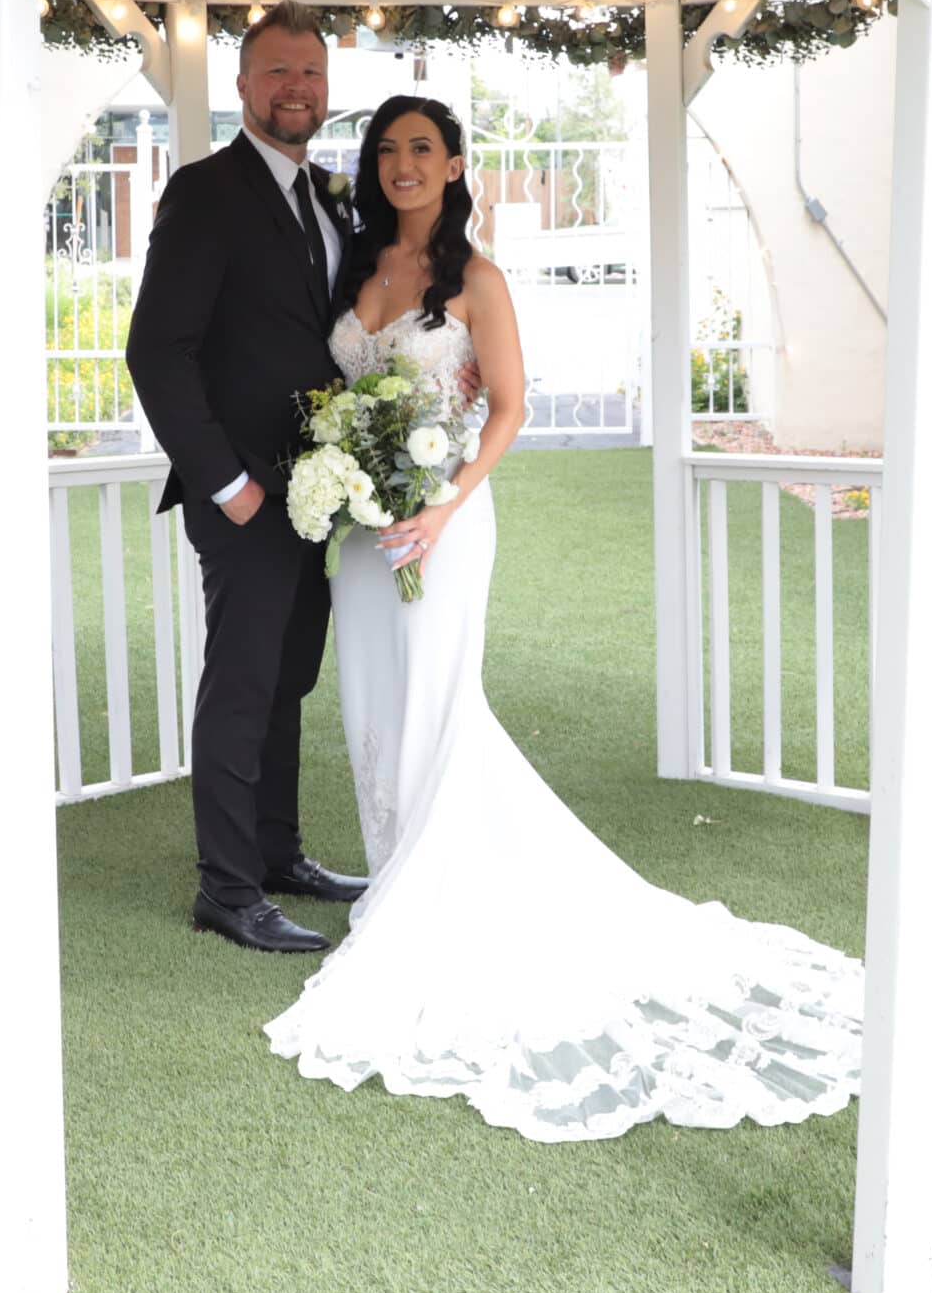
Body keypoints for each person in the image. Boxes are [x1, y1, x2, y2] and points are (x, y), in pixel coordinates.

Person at [262, 94, 869, 1142]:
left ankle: (425, 909)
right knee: (373, 703)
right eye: (388, 150)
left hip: (444, 522)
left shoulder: (477, 281)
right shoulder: (357, 273)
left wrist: (445, 502)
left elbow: (508, 406)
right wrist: (347, 474)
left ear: (454, 166)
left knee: (438, 704)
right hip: (364, 534)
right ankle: (398, 876)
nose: (402, 165)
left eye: (422, 150)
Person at [123, 2, 371, 953]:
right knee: (241, 685)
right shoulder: (206, 191)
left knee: (285, 680)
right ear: (243, 86)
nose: (295, 88)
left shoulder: (326, 197)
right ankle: (227, 889)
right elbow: (158, 352)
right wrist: (227, 485)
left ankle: (277, 852)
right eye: (276, 72)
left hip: (318, 492)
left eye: (308, 72)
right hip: (245, 494)